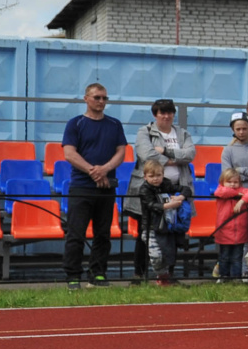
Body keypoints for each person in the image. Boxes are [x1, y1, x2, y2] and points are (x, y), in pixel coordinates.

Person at [61, 83, 127, 289]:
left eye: (104, 98)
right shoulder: (75, 123)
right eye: (97, 97)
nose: (101, 102)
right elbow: (69, 154)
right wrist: (93, 171)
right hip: (81, 187)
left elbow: (121, 152)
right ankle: (73, 276)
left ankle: (98, 273)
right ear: (86, 98)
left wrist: (105, 169)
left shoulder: (115, 124)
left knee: (103, 234)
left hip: (107, 187)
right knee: (76, 233)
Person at [134, 158, 190, 286]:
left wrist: (180, 197)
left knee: (167, 254)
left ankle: (163, 278)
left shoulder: (166, 183)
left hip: (166, 226)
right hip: (151, 228)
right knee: (156, 256)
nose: (155, 179)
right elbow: (151, 205)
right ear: (145, 177)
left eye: (158, 175)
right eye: (151, 176)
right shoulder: (144, 189)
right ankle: (163, 275)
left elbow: (186, 189)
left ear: (163, 175)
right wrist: (169, 205)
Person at [213, 167, 248, 282]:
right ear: (222, 182)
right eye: (229, 182)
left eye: (235, 182)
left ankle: (236, 278)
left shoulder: (244, 192)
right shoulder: (222, 191)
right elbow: (221, 192)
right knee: (224, 257)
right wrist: (238, 194)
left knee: (237, 258)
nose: (232, 184)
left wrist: (242, 200)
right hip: (224, 231)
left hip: (240, 233)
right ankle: (224, 277)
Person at [221, 114, 248, 183]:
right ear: (233, 129)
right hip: (235, 191)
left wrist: (239, 170)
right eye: (238, 129)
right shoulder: (228, 150)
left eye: (244, 129)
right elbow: (227, 175)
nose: (241, 132)